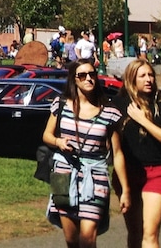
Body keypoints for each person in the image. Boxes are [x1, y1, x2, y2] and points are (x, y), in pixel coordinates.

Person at [41, 60, 129, 247]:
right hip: (63, 175)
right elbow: (47, 136)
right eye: (82, 75)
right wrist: (59, 141)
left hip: (95, 176)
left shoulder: (109, 112)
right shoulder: (61, 104)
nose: (88, 78)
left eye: (92, 74)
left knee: (88, 238)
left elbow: (118, 153)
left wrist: (125, 190)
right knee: (71, 239)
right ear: (74, 80)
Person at [113, 59, 161, 248]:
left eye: (150, 75)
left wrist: (143, 120)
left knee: (150, 234)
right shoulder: (118, 104)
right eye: (142, 76)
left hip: (156, 172)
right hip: (128, 174)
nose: (148, 79)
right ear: (131, 79)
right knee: (135, 232)